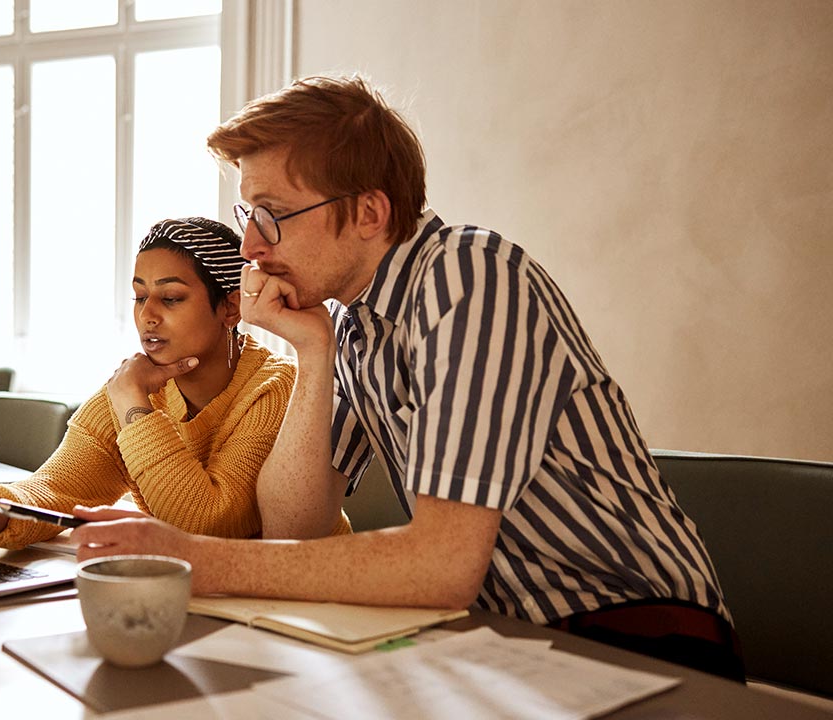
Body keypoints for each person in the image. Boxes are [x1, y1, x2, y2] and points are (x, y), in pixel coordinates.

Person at [70, 76, 744, 681]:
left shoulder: (471, 277)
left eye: (271, 215)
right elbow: (294, 522)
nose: (249, 248)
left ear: (369, 213)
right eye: (249, 216)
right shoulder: (355, 322)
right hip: (507, 641)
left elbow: (440, 566)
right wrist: (312, 352)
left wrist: (192, 558)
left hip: (642, 636)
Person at [0, 217, 350, 550]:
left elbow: (209, 523)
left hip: (304, 603)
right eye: (140, 297)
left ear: (230, 307)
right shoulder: (129, 386)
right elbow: (57, 488)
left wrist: (134, 406)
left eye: (170, 298)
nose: (147, 315)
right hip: (204, 594)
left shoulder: (276, 387)